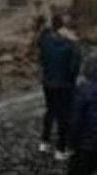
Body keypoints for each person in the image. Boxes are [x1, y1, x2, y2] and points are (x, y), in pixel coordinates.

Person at [37, 13, 82, 161]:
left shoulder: (45, 40)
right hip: (65, 84)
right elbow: (75, 65)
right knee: (64, 116)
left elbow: (42, 57)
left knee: (50, 110)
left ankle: (44, 142)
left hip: (48, 82)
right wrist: (74, 41)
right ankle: (60, 149)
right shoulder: (70, 45)